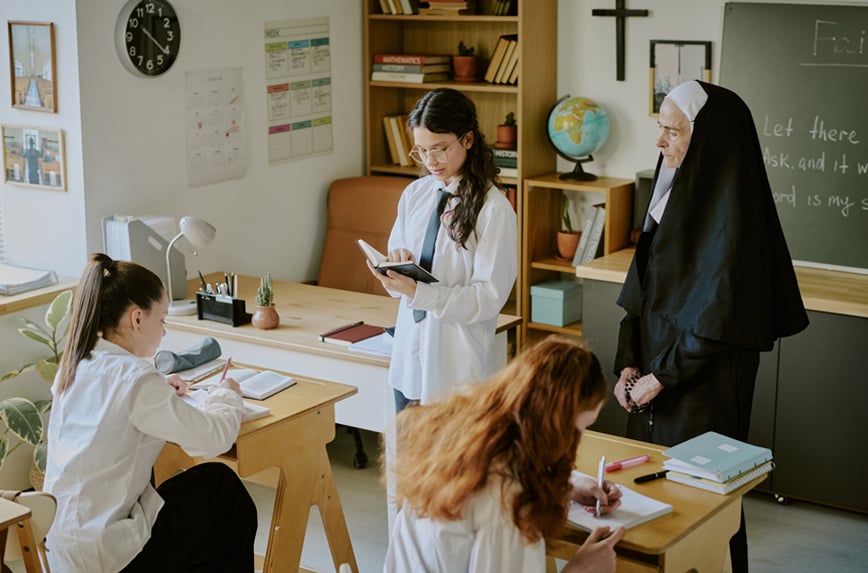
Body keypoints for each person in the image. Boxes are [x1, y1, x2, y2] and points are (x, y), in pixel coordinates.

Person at [613, 80, 809, 572]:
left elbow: (720, 322)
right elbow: (640, 291)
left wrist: (663, 377)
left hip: (704, 386)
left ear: (710, 139)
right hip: (653, 379)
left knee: (703, 509)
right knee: (649, 500)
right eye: (661, 128)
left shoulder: (737, 221)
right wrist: (629, 364)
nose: (661, 142)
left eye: (673, 131)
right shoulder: (670, 195)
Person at [44, 253, 257, 572]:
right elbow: (213, 439)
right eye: (162, 319)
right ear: (137, 318)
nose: (164, 332)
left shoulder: (76, 366)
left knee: (171, 491)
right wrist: (227, 395)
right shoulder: (137, 381)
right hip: (108, 556)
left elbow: (114, 406)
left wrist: (159, 384)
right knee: (221, 486)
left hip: (62, 550)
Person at [383, 337, 624, 573]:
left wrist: (567, 484)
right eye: (579, 430)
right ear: (555, 427)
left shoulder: (460, 432)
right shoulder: (509, 501)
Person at [367, 87, 517, 411]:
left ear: (468, 139)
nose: (430, 161)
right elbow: (399, 270)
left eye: (439, 149)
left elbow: (487, 299)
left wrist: (420, 293)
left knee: (453, 463)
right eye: (421, 151)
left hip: (456, 373)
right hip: (408, 364)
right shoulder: (415, 195)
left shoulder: (494, 210)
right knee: (405, 460)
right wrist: (395, 266)